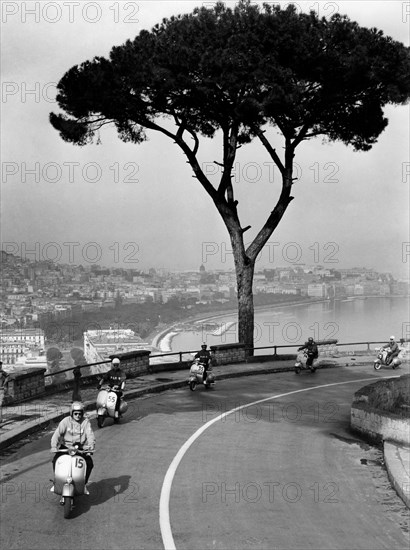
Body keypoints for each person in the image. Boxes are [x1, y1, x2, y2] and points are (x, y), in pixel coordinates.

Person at [50, 401, 95, 494]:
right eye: (75, 413)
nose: (78, 415)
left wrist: (91, 446)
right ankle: (57, 482)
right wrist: (54, 446)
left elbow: (90, 434)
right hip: (66, 447)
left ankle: (83, 484)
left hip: (80, 448)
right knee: (55, 461)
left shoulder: (85, 422)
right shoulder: (65, 421)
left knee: (89, 463)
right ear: (71, 413)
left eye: (80, 413)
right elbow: (57, 434)